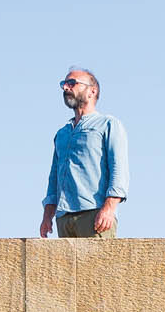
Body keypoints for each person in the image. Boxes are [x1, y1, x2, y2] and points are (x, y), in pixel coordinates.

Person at [40, 69, 128, 237]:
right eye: (64, 84)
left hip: (95, 215)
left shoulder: (108, 125)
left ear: (92, 91)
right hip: (64, 217)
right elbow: (53, 178)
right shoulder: (62, 134)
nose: (66, 88)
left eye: (72, 83)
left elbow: (119, 169)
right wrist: (47, 216)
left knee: (99, 264)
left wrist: (109, 209)